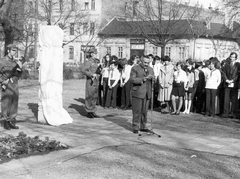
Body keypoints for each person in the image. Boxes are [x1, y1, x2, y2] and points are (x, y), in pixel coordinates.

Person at [0, 44, 23, 130]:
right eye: (13, 50)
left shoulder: (15, 62)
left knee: (14, 103)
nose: (14, 52)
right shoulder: (2, 61)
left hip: (15, 84)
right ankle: (5, 121)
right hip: (7, 84)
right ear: (8, 50)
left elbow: (19, 74)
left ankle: (11, 121)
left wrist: (20, 68)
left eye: (15, 51)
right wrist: (2, 81)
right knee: (6, 103)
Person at [130, 55, 154, 134]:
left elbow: (154, 79)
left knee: (144, 111)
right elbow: (132, 79)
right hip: (137, 92)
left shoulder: (151, 69)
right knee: (137, 111)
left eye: (148, 62)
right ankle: (135, 127)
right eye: (145, 62)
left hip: (147, 93)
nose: (146, 64)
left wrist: (153, 78)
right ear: (141, 61)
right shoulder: (135, 68)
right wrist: (142, 79)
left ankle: (143, 126)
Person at [81, 51, 101, 118]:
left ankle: (93, 110)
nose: (95, 55)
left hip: (96, 80)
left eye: (96, 53)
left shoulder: (96, 61)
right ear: (91, 54)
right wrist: (91, 74)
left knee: (94, 95)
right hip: (90, 81)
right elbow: (83, 70)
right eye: (94, 54)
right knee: (89, 95)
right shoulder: (89, 62)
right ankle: (88, 111)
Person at [222, 52, 239, 118]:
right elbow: (223, 73)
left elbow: (238, 75)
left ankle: (233, 113)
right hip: (227, 84)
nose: (232, 58)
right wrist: (226, 80)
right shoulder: (226, 64)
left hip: (234, 84)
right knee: (226, 99)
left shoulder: (238, 65)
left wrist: (232, 80)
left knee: (234, 99)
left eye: (233, 57)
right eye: (231, 57)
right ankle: (226, 113)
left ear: (235, 58)